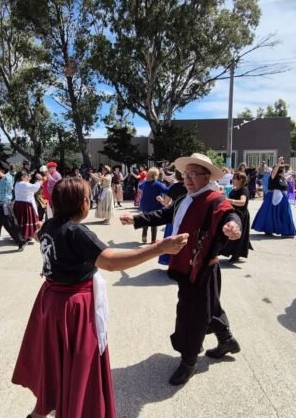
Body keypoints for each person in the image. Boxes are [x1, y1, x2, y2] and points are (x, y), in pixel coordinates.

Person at [12, 177, 189, 418]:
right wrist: (158, 248)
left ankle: (41, 412)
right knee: (79, 364)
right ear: (81, 203)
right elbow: (111, 261)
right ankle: (70, 410)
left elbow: (37, 235)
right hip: (74, 305)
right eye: (87, 198)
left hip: (51, 299)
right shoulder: (77, 231)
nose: (89, 202)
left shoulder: (49, 226)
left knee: (56, 362)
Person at [119, 153, 243, 386]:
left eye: (193, 175)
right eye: (186, 174)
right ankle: (226, 340)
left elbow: (230, 213)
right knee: (209, 306)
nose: (188, 179)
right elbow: (164, 214)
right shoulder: (185, 198)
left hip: (201, 269)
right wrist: (136, 220)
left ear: (207, 177)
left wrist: (233, 225)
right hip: (186, 265)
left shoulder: (215, 199)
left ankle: (189, 361)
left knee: (191, 315)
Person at [252, 157, 296, 237]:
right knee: (270, 213)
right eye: (283, 170)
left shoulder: (282, 178)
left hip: (283, 197)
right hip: (272, 196)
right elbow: (274, 172)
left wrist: (291, 174)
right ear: (280, 171)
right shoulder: (272, 177)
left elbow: (286, 179)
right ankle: (268, 229)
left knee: (284, 213)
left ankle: (286, 231)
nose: (284, 171)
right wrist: (278, 163)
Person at [219, 171, 252, 262]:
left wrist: (229, 200)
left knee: (237, 234)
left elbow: (242, 202)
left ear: (240, 180)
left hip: (240, 214)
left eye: (234, 178)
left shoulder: (244, 189)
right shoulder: (234, 189)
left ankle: (236, 254)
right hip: (233, 213)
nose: (232, 180)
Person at [138, 167, 170, 243]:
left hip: (145, 205)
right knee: (154, 224)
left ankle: (144, 236)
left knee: (145, 221)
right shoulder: (158, 184)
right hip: (154, 206)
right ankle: (153, 241)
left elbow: (140, 186)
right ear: (156, 175)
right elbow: (167, 190)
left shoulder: (144, 183)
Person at [14, 170, 44, 242]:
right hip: (25, 205)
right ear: (22, 177)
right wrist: (41, 180)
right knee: (27, 220)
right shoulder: (24, 184)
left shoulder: (17, 183)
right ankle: (26, 236)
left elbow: (30, 187)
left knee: (21, 221)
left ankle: (22, 235)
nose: (28, 177)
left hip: (19, 204)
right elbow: (34, 187)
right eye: (26, 176)